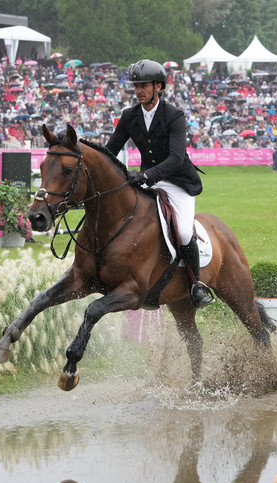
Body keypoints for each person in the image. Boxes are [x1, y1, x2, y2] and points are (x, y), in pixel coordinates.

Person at [105, 59, 213, 308]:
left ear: (158, 86)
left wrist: (144, 176)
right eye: (135, 86)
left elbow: (176, 158)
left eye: (143, 85)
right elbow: (110, 151)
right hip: (150, 182)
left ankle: (196, 285)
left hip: (177, 183)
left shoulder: (174, 116)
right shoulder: (129, 116)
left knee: (184, 232)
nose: (138, 90)